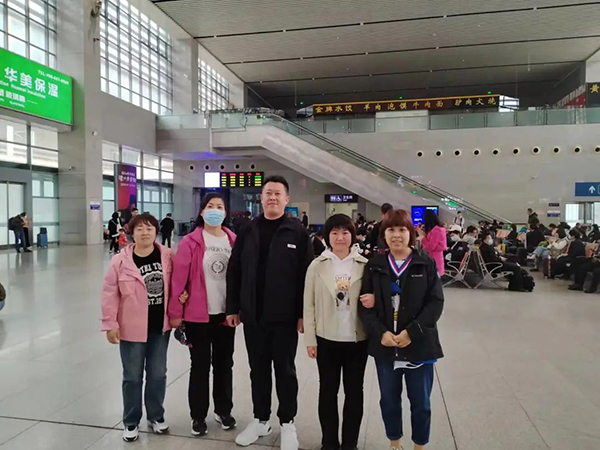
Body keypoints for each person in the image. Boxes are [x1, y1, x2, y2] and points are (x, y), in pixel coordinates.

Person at [225, 175, 314, 450]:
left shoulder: (297, 232)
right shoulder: (248, 229)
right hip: (253, 316)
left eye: (277, 193)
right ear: (261, 198)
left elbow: (307, 275)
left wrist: (303, 314)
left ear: (286, 199)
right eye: (268, 193)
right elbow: (235, 270)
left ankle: (287, 423)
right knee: (258, 370)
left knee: (285, 371)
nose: (272, 197)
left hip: (285, 318)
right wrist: (233, 308)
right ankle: (261, 420)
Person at [359, 209, 444, 450]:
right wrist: (381, 334)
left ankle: (419, 445)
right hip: (386, 348)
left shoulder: (425, 263)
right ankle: (394, 443)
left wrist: (411, 333)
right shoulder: (375, 266)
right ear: (383, 234)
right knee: (389, 401)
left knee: (421, 403)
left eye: (402, 230)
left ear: (411, 233)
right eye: (391, 230)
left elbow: (435, 303)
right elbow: (364, 306)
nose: (396, 235)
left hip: (419, 345)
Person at [101, 213, 174, 443]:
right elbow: (110, 293)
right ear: (131, 232)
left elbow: (178, 284)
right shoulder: (120, 261)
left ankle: (156, 416)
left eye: (150, 228)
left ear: (156, 232)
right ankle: (131, 421)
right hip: (131, 329)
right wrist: (110, 323)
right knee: (132, 377)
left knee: (158, 374)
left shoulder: (167, 256)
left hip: (160, 328)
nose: (145, 233)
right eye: (140, 229)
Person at [169, 193, 237, 436]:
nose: (215, 210)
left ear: (225, 213)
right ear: (201, 211)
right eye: (210, 206)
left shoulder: (233, 240)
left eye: (220, 207)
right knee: (200, 366)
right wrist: (176, 312)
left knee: (224, 364)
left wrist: (239, 308)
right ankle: (198, 416)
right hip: (197, 315)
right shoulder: (190, 242)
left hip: (225, 315)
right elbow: (178, 280)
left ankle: (223, 410)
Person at [304, 214, 370, 450]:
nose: (340, 237)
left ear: (352, 235)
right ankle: (329, 442)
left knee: (354, 392)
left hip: (357, 339)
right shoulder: (317, 265)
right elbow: (308, 304)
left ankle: (350, 443)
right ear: (327, 236)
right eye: (334, 232)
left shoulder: (364, 264)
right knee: (328, 391)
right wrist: (310, 339)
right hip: (326, 339)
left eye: (345, 232)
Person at [418, 210, 447, 276]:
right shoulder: (438, 229)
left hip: (434, 257)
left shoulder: (437, 230)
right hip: (436, 257)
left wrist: (423, 238)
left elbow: (431, 246)